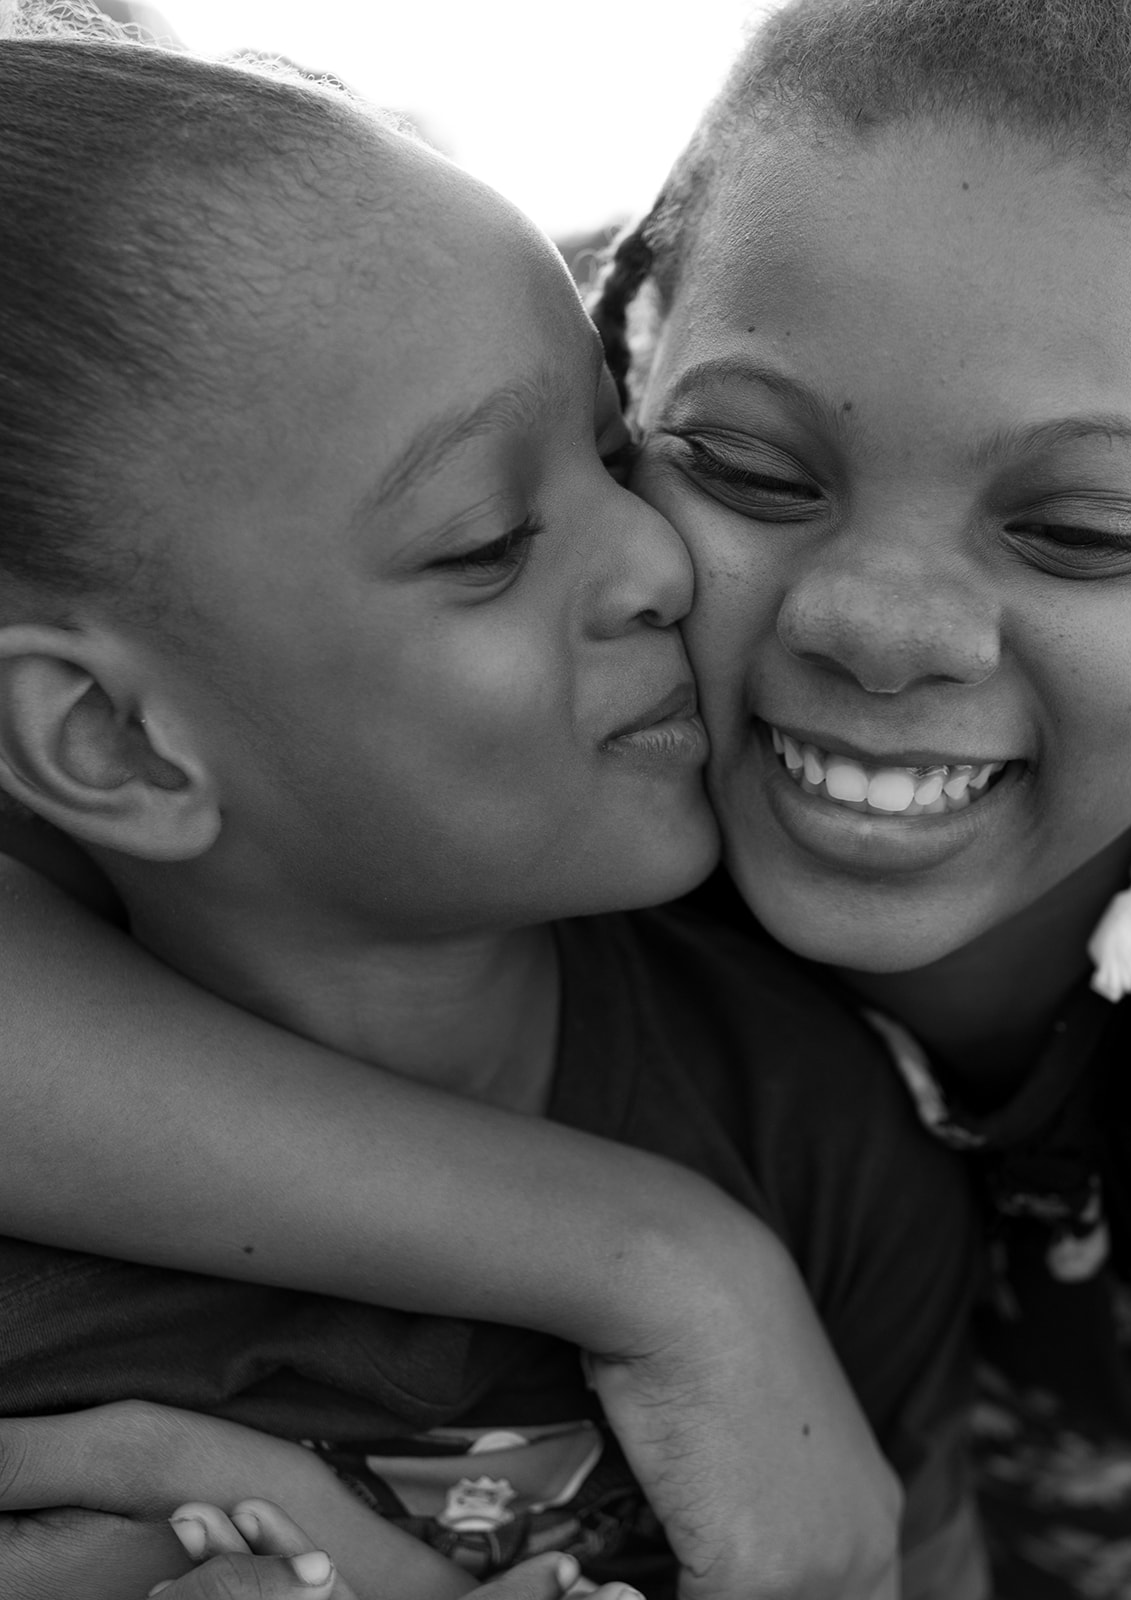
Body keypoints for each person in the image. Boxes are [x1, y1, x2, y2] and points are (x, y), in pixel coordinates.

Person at [0, 13, 982, 1600]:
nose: (660, 564)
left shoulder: (808, 1134)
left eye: (616, 447)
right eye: (484, 546)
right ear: (112, 742)